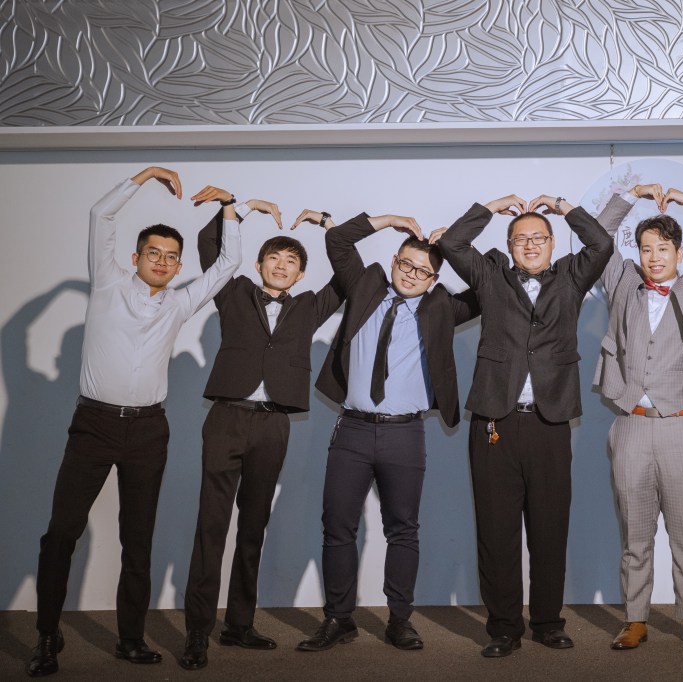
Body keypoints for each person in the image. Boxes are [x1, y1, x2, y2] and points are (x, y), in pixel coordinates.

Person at [27, 168, 242, 677]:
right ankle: (46, 635)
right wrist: (144, 176)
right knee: (62, 534)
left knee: (137, 539)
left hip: (148, 431)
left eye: (171, 257)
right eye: (154, 253)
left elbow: (229, 263)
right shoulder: (107, 284)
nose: (162, 262)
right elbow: (100, 215)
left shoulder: (180, 303)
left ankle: (129, 639)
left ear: (178, 265)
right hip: (93, 425)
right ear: (135, 257)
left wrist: (230, 206)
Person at [291, 208, 478, 653]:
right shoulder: (366, 288)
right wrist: (387, 219)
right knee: (337, 527)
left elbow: (490, 286)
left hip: (404, 435)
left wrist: (454, 240)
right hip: (352, 432)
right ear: (394, 261)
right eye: (406, 264)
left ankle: (399, 620)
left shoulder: (442, 308)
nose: (412, 274)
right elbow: (337, 241)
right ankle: (339, 619)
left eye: (423, 271)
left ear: (434, 279)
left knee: (403, 529)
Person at [435, 192, 613, 658]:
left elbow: (602, 244)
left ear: (553, 243)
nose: (530, 245)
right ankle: (504, 628)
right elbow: (452, 243)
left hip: (550, 422)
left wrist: (564, 207)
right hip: (495, 421)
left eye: (538, 238)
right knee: (496, 532)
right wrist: (490, 208)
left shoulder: (572, 276)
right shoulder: (490, 276)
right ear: (509, 245)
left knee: (550, 529)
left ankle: (548, 622)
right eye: (520, 239)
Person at [178, 201, 346, 670]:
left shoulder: (310, 307)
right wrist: (240, 208)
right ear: (258, 264)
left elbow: (348, 276)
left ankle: (239, 624)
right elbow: (208, 245)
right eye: (274, 257)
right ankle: (197, 632)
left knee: (253, 527)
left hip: (274, 425)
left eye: (291, 261)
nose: (282, 265)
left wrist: (328, 224)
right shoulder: (233, 292)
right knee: (211, 526)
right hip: (227, 419)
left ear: (300, 274)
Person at [594, 184, 683, 651]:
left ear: (679, 251)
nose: (654, 257)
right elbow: (597, 236)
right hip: (631, 425)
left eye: (662, 248)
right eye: (646, 249)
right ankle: (635, 619)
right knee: (635, 534)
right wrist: (627, 195)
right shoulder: (623, 282)